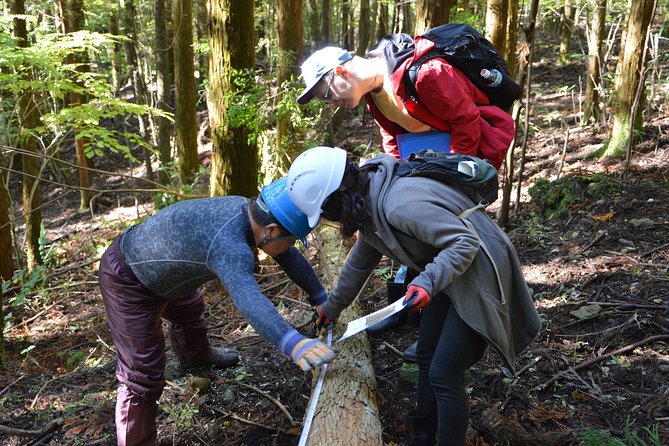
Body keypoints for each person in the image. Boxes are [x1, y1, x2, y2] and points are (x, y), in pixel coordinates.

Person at [286, 146, 541, 446]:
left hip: (478, 269)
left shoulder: (397, 204)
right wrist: (332, 308)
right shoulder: (370, 206)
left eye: (328, 212)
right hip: (448, 271)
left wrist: (427, 281)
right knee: (426, 357)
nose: (331, 219)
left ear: (338, 198)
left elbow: (464, 242)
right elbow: (358, 263)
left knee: (444, 372)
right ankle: (421, 437)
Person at [98, 177, 336, 446]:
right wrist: (294, 344)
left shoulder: (248, 211)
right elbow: (248, 298)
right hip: (128, 279)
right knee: (142, 375)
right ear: (270, 229)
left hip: (167, 271)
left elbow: (285, 254)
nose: (291, 247)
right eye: (292, 240)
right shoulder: (230, 245)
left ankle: (196, 359)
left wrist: (319, 296)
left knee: (189, 310)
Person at [296, 43, 514, 169]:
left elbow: (466, 121)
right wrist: (398, 174)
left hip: (471, 155)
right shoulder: (373, 96)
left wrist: (457, 174)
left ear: (341, 72)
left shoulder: (425, 74)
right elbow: (393, 140)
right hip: (437, 164)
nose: (332, 104)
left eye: (327, 95)